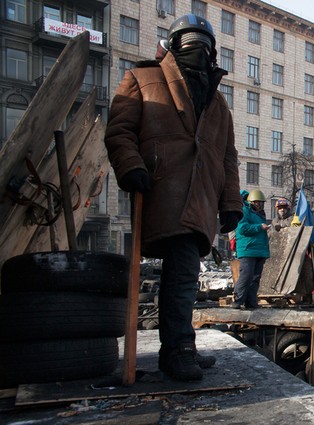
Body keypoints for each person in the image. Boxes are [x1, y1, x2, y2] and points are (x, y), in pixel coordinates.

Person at [105, 14, 242, 381]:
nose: (197, 49)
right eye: (189, 40)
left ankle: (181, 348)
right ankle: (178, 349)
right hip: (160, 189)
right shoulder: (141, 78)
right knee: (179, 275)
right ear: (173, 43)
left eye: (204, 42)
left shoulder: (218, 103)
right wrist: (130, 166)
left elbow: (227, 156)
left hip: (198, 197)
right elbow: (119, 131)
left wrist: (231, 202)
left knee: (183, 275)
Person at [232, 189, 270, 310]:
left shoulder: (260, 214)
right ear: (251, 202)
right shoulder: (244, 211)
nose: (259, 205)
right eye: (257, 202)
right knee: (246, 275)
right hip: (247, 249)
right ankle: (238, 300)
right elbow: (242, 228)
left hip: (259, 250)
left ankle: (251, 302)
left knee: (255, 277)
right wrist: (259, 227)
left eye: (261, 203)